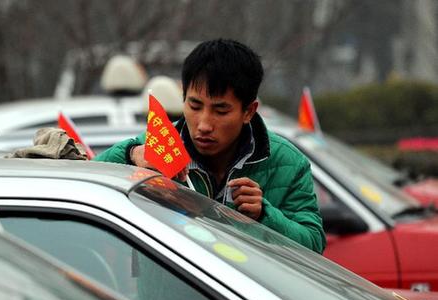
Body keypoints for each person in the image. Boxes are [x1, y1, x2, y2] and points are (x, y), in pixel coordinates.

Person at [95, 39, 325, 254]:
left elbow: (314, 244)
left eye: (221, 111)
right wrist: (131, 154)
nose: (204, 125)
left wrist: (264, 215)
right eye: (194, 106)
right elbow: (81, 181)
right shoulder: (156, 147)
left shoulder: (287, 162)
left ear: (248, 111)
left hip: (248, 296)